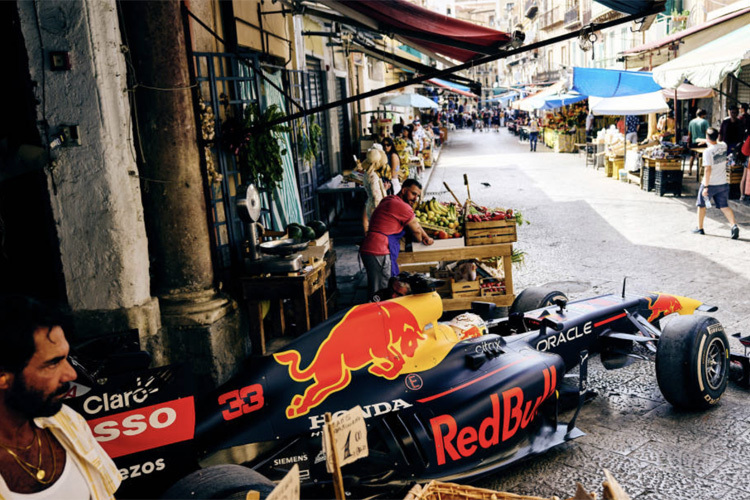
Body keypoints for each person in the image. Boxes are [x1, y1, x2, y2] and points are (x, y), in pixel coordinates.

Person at [0, 295, 121, 499]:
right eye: (53, 363)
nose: (71, 375)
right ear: (3, 377)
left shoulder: (67, 420)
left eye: (66, 358)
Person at [360, 180, 434, 298]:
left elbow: (416, 225)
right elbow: (416, 231)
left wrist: (426, 236)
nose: (416, 198)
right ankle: (379, 315)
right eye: (413, 194)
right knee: (381, 292)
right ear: (404, 190)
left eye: (418, 196)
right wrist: (420, 238)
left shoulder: (390, 200)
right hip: (378, 250)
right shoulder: (402, 206)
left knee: (379, 287)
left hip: (371, 248)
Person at [693, 128, 739, 239]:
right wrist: (707, 140)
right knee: (724, 206)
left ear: (707, 138)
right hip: (722, 182)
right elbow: (715, 143)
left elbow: (708, 170)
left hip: (710, 183)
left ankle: (700, 228)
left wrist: (706, 187)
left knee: (701, 205)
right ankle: (734, 225)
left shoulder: (707, 152)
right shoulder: (724, 145)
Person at [687, 109, 709, 174]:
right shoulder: (705, 122)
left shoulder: (691, 122)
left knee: (692, 156)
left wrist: (688, 142)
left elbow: (689, 134)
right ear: (703, 115)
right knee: (702, 157)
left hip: (694, 142)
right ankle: (701, 172)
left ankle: (690, 170)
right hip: (702, 142)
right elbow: (707, 132)